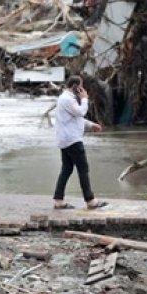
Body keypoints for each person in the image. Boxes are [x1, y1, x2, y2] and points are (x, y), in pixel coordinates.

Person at [53, 75, 108, 210]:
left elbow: (76, 119)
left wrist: (91, 125)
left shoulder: (65, 99)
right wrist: (85, 99)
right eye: (81, 87)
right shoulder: (67, 99)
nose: (83, 90)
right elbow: (81, 112)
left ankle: (58, 200)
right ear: (75, 87)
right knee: (83, 169)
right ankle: (90, 201)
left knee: (66, 169)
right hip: (72, 140)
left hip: (66, 139)